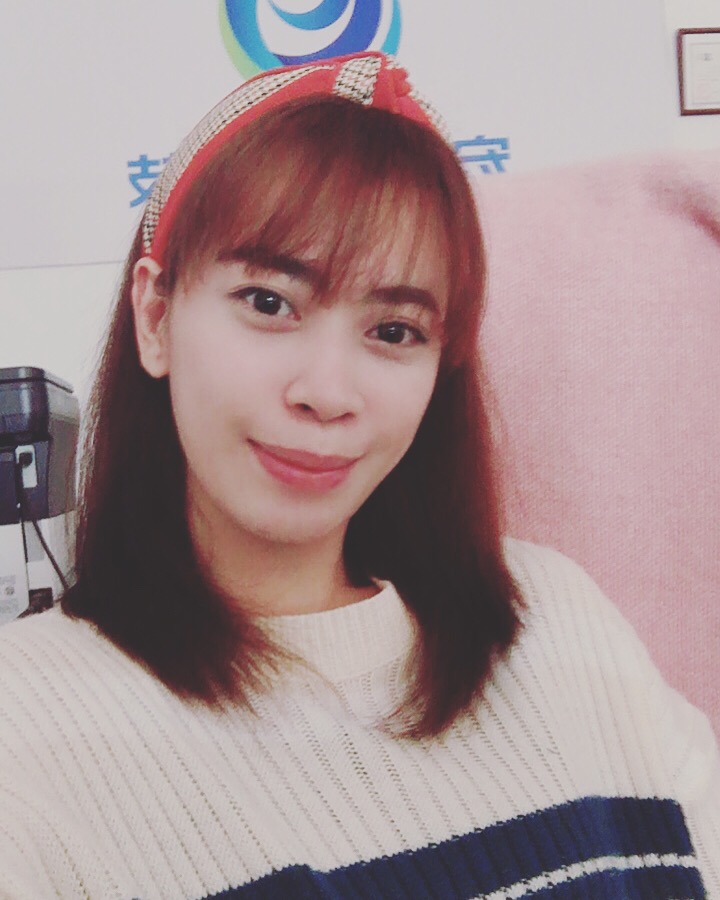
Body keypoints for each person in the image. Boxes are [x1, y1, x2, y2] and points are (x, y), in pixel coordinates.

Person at [0, 51, 718, 899]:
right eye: (270, 302)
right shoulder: (27, 729)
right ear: (156, 317)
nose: (329, 392)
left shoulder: (559, 619)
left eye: (394, 331)